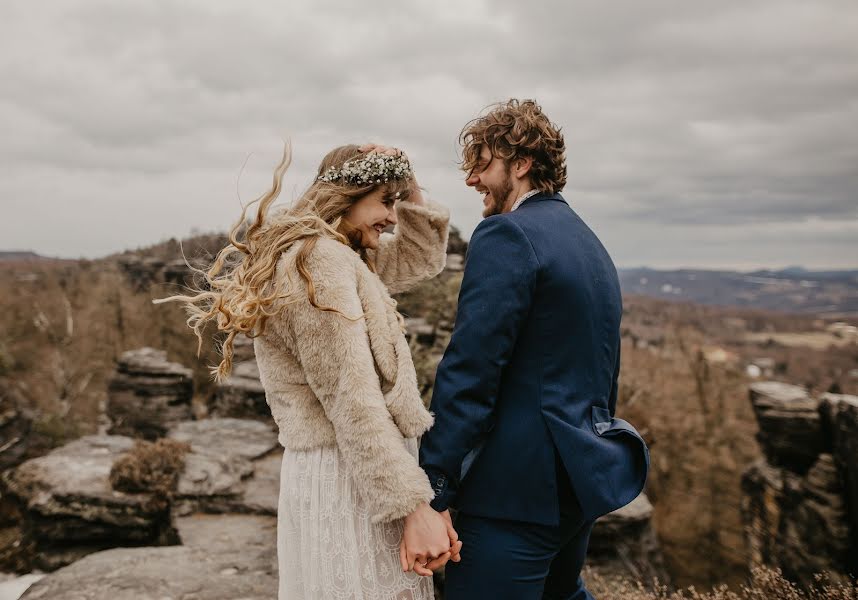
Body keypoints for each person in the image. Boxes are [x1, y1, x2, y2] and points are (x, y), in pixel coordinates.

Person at [158, 143, 461, 599]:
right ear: (345, 196)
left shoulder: (344, 254)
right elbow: (352, 401)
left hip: (360, 469)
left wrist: (406, 178)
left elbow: (420, 258)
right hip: (350, 475)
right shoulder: (319, 262)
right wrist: (415, 506)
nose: (394, 217)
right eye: (384, 201)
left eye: (396, 203)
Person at [407, 99, 651, 599]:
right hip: (576, 484)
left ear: (520, 164)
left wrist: (433, 488)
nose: (472, 179)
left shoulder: (507, 235)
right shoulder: (589, 243)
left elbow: (471, 371)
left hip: (513, 494)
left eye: (482, 163)